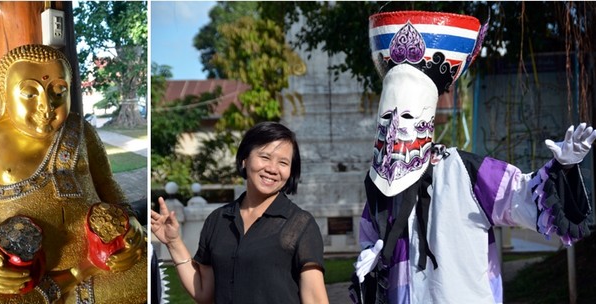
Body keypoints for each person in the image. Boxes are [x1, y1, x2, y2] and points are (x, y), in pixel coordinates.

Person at [351, 10, 596, 304]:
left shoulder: (466, 172)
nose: (395, 129)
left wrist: (563, 168)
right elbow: (370, 237)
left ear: (426, 119)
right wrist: (371, 257)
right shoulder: (381, 187)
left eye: (405, 115)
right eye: (388, 118)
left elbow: (523, 197)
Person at [0, 44, 147, 303]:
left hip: (94, 254)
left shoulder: (81, 131)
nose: (47, 106)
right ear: (2, 96)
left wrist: (129, 221)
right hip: (19, 261)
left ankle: (75, 277)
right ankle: (62, 284)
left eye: (59, 91)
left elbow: (105, 181)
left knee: (143, 276)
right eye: (30, 93)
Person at [151, 121, 329, 304]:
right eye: (265, 157)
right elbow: (205, 293)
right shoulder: (218, 220)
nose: (272, 169)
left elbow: (315, 299)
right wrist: (173, 242)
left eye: (283, 162)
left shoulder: (300, 224)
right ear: (245, 159)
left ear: (291, 171)